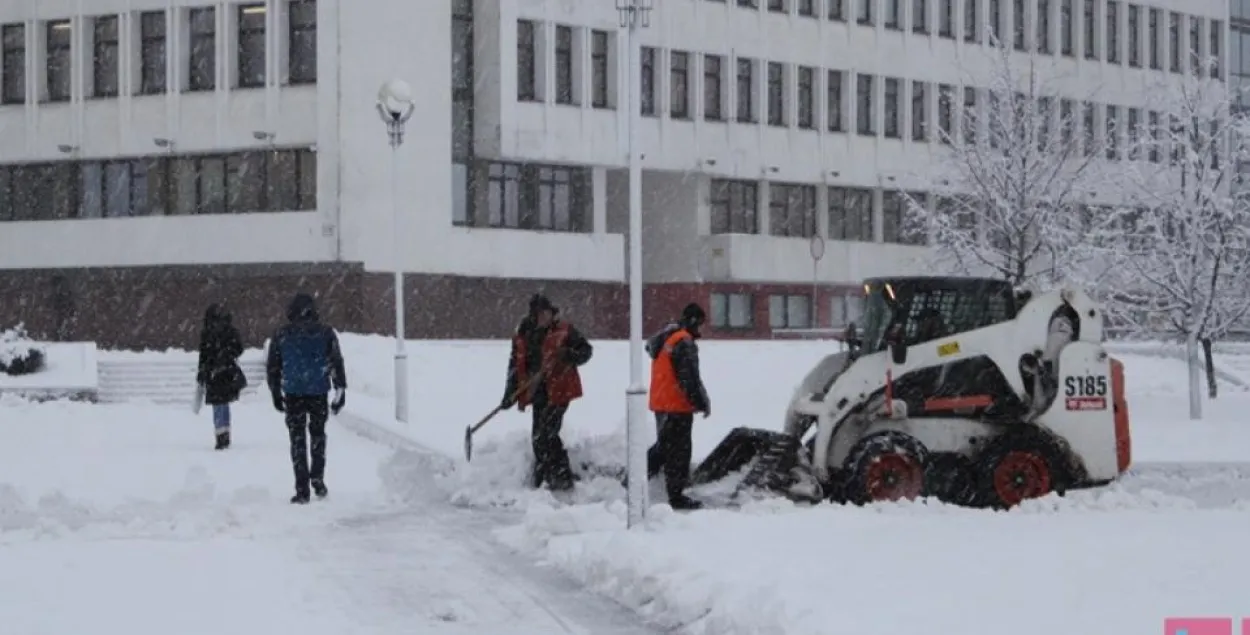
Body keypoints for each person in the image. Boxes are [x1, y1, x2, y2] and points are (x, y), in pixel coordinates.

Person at [500, 294, 593, 491]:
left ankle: (561, 477)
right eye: (541, 314)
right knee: (538, 436)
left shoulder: (564, 330)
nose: (545, 317)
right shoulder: (523, 334)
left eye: (548, 313)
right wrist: (510, 393)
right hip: (537, 391)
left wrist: (568, 354)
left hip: (560, 389)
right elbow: (515, 365)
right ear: (533, 315)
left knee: (548, 433)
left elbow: (586, 351)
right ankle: (543, 477)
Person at [265, 293, 347, 504]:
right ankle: (317, 479)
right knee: (318, 435)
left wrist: (275, 391)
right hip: (318, 391)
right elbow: (336, 361)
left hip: (293, 392)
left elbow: (273, 366)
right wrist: (340, 390)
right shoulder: (325, 333)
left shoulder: (282, 334)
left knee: (297, 440)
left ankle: (302, 489)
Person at [644, 302, 711, 510]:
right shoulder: (684, 342)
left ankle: (635, 479)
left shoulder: (667, 338)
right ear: (693, 321)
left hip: (661, 403)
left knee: (664, 447)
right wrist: (701, 402)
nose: (700, 329)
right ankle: (676, 496)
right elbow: (689, 377)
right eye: (700, 324)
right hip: (676, 405)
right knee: (679, 453)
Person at [196, 304, 246, 451]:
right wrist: (227, 356)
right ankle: (225, 433)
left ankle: (220, 434)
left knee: (218, 404)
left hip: (212, 373)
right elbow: (239, 349)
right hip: (227, 372)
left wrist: (202, 371)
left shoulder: (207, 332)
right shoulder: (230, 331)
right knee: (224, 403)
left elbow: (203, 354)